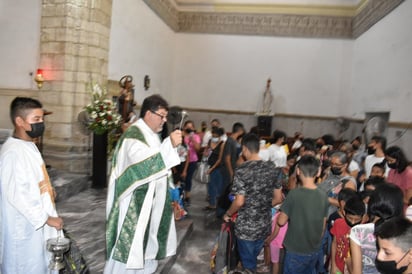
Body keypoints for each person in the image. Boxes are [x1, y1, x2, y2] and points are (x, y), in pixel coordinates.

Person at [104, 94, 182, 274]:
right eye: (161, 115)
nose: (164, 120)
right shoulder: (134, 135)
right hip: (134, 205)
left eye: (165, 116)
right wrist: (169, 144)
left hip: (151, 203)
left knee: (146, 250)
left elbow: (162, 171)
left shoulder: (151, 135)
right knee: (129, 251)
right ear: (148, 113)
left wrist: (172, 197)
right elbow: (143, 166)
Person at [0, 97, 64, 273]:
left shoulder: (28, 145)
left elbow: (33, 179)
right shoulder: (13, 153)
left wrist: (49, 192)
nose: (41, 123)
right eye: (36, 120)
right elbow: (17, 195)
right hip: (24, 226)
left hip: (36, 221)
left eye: (42, 119)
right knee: (25, 266)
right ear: (20, 121)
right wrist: (46, 219)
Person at [223, 133, 281, 273]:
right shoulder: (272, 168)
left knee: (249, 265)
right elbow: (278, 198)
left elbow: (239, 201)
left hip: (246, 228)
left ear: (245, 149)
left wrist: (228, 213)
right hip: (264, 225)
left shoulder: (242, 170)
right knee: (252, 259)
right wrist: (263, 205)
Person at [277, 155, 329, 274]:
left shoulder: (294, 194)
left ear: (298, 171)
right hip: (314, 249)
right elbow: (323, 225)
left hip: (295, 249)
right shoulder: (323, 196)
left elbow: (281, 222)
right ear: (319, 172)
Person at [349, 183, 404, 274]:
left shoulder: (358, 231)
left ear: (372, 203)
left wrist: (348, 262)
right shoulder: (405, 233)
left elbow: (356, 272)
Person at [330, 196, 365, 274]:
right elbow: (334, 243)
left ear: (362, 217)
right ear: (344, 213)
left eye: (357, 219)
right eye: (350, 218)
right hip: (338, 266)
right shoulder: (338, 223)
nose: (352, 222)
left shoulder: (363, 231)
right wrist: (333, 265)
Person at [204, 127, 225, 210]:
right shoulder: (210, 141)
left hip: (217, 168)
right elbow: (206, 153)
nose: (214, 137)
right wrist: (206, 151)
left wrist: (212, 168)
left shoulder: (222, 144)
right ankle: (212, 204)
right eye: (213, 135)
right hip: (209, 166)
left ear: (219, 136)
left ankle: (218, 204)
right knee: (210, 186)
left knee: (218, 186)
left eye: (215, 136)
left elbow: (220, 159)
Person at [181, 120, 201, 205]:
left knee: (188, 178)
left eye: (191, 127)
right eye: (187, 126)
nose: (189, 128)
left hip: (192, 160)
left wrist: (192, 139)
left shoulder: (196, 136)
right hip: (182, 160)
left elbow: (198, 149)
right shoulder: (181, 135)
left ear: (193, 128)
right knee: (181, 178)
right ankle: (180, 195)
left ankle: (187, 197)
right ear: (184, 127)